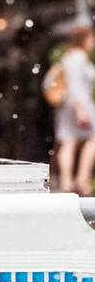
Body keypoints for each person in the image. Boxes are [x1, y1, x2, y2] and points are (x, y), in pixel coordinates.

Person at [55, 25, 95, 194]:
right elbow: (76, 85)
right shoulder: (79, 58)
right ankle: (82, 179)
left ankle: (66, 181)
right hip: (80, 103)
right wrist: (80, 109)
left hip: (67, 105)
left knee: (69, 141)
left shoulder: (68, 57)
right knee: (92, 140)